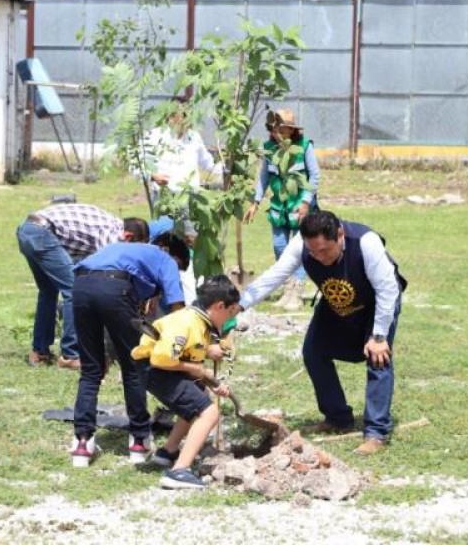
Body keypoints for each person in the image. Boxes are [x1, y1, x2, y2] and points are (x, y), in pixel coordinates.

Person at [238, 210, 406, 456]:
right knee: (314, 351)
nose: (318, 257)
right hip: (336, 302)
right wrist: (240, 304)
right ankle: (337, 417)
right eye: (313, 252)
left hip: (377, 304)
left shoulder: (365, 242)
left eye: (325, 251)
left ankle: (376, 431)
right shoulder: (302, 244)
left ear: (339, 235)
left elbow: (387, 290)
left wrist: (379, 336)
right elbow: (275, 276)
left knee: (377, 358)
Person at [69, 236, 190, 468]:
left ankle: (82, 443)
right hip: (115, 288)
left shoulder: (127, 250)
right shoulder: (166, 259)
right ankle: (139, 439)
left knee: (91, 369)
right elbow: (177, 309)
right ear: (172, 253)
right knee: (134, 366)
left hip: (81, 287)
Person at [131, 275, 240, 489]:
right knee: (209, 413)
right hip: (155, 370)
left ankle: (168, 451)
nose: (228, 319)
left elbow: (192, 356)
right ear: (219, 306)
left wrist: (213, 381)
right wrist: (198, 369)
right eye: (230, 313)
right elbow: (162, 359)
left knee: (199, 397)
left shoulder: (199, 321)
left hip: (164, 369)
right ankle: (179, 472)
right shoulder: (186, 322)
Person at [17, 204, 149, 370]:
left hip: (28, 230)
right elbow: (108, 270)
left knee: (48, 292)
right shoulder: (111, 233)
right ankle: (71, 355)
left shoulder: (108, 225)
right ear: (128, 237)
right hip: (42, 233)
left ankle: (39, 352)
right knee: (73, 292)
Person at [243, 108, 320, 310]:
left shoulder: (304, 147)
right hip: (279, 206)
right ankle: (286, 288)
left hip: (300, 206)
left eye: (284, 128)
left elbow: (314, 176)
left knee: (302, 247)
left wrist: (305, 202)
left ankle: (296, 291)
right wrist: (255, 202)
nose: (280, 132)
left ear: (291, 130)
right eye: (276, 128)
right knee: (279, 246)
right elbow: (264, 178)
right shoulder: (269, 148)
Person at [144, 96, 222, 208]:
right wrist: (153, 176)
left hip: (190, 199)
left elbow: (209, 164)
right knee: (164, 226)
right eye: (182, 114)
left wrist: (228, 170)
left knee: (190, 226)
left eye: (188, 114)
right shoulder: (154, 136)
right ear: (170, 116)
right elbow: (137, 163)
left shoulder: (194, 137)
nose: (186, 118)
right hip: (164, 200)